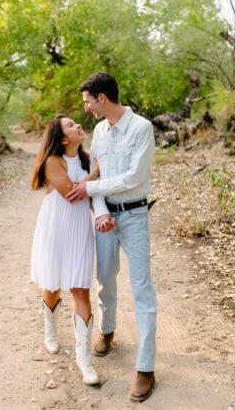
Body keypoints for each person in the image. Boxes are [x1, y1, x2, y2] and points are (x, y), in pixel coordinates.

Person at [66, 71, 157, 402]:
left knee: (142, 288)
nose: (87, 108)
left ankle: (146, 368)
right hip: (106, 217)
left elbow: (134, 178)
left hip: (134, 215)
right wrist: (100, 209)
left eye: (89, 102)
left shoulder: (141, 128)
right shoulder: (100, 131)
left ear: (102, 98)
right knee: (105, 278)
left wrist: (91, 189)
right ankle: (107, 330)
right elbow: (98, 172)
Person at [30, 115, 101, 386]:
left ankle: (84, 360)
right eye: (70, 126)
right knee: (52, 285)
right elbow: (72, 192)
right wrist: (95, 175)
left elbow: (90, 195)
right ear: (61, 138)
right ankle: (51, 331)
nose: (78, 126)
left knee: (80, 288)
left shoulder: (86, 158)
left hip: (80, 228)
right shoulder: (52, 161)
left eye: (75, 122)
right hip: (55, 227)